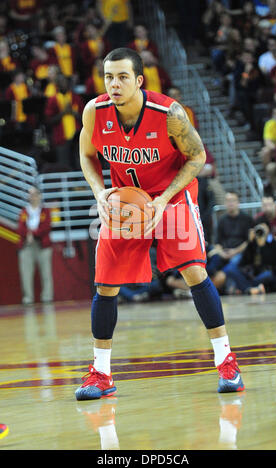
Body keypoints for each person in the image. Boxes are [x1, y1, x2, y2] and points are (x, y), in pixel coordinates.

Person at [75, 47, 245, 401]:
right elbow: (87, 156)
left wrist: (164, 199)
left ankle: (226, 361)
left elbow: (197, 156)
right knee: (105, 284)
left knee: (194, 273)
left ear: (139, 80)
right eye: (109, 77)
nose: (114, 84)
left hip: (171, 197)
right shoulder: (94, 111)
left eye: (123, 77)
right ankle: (101, 373)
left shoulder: (169, 113)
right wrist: (99, 192)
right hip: (126, 202)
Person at [17, 186, 53, 305]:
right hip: (27, 245)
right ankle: (28, 298)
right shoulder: (24, 211)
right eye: (30, 194)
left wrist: (32, 233)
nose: (32, 196)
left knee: (46, 272)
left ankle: (47, 297)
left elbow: (46, 227)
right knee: (26, 272)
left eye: (34, 194)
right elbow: (20, 227)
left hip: (42, 245)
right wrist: (28, 234)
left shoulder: (45, 211)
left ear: (39, 195)